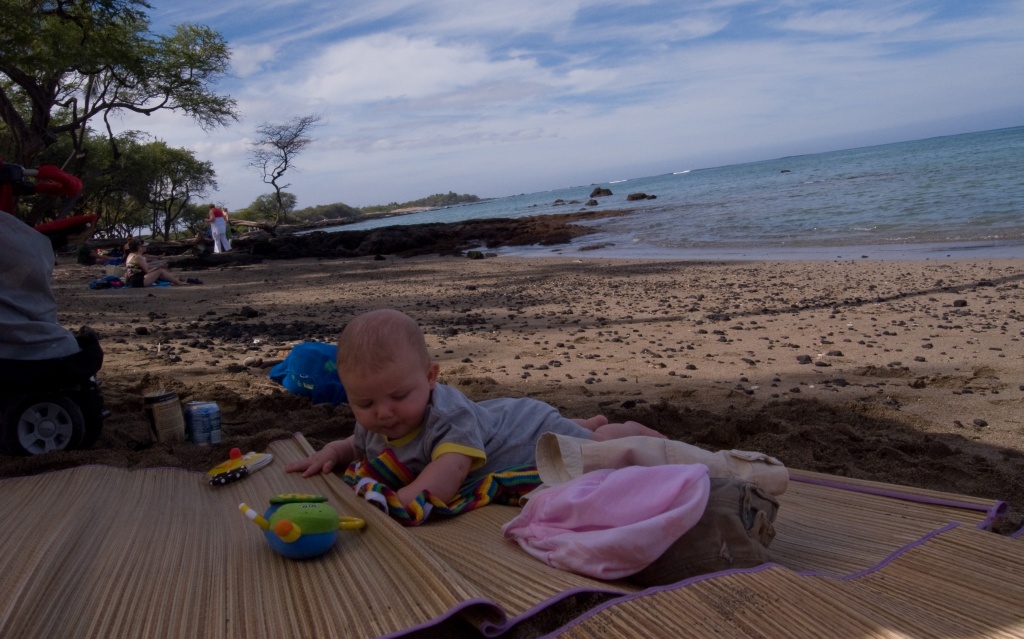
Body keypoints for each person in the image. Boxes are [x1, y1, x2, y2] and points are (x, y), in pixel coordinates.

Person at [285, 308, 665, 507]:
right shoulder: (375, 417)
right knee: (541, 421)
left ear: (431, 377)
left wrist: (395, 501)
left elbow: (443, 482)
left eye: (399, 397)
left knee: (592, 444)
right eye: (364, 403)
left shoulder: (449, 420)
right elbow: (356, 442)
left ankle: (621, 427)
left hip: (531, 435)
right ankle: (585, 419)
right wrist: (333, 451)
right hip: (499, 418)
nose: (382, 413)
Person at [123, 239, 200, 286]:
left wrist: (159, 265)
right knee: (160, 271)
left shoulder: (130, 256)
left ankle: (176, 280)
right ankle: (178, 282)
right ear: (139, 247)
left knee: (160, 271)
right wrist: (159, 267)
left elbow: (134, 269)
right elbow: (146, 271)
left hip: (133, 281)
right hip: (138, 282)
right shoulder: (138, 257)